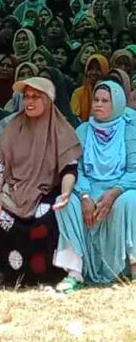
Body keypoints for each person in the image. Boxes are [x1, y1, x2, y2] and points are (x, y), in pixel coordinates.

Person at [0, 77, 82, 285]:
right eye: (26, 97)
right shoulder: (13, 126)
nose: (29, 102)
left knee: (46, 219)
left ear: (48, 100)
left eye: (36, 97)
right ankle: (3, 270)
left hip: (46, 191)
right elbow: (0, 164)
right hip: (14, 189)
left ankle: (43, 275)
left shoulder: (61, 129)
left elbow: (69, 168)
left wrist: (66, 193)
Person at [54, 81, 136, 292]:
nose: (98, 104)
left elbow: (133, 170)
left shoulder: (129, 130)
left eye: (105, 101)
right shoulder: (83, 130)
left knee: (132, 200)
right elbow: (76, 169)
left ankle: (133, 266)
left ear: (116, 104)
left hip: (119, 190)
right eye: (96, 100)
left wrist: (113, 194)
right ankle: (75, 271)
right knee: (63, 203)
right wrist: (84, 196)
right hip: (89, 189)